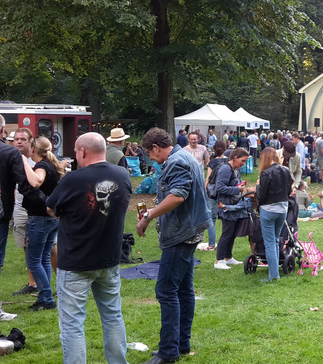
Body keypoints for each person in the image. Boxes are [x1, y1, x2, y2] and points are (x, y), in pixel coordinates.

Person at [47, 132, 131, 363]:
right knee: (113, 316)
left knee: (72, 323)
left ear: (83, 151)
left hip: (76, 261)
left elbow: (52, 208)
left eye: (75, 151)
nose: (75, 156)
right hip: (109, 259)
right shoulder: (122, 174)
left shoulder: (73, 179)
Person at [137, 127, 211, 364]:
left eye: (149, 152)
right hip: (190, 230)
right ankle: (180, 345)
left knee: (166, 290)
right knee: (183, 289)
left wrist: (149, 216)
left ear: (156, 148)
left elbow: (178, 195)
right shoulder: (185, 156)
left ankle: (168, 352)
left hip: (181, 235)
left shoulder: (176, 161)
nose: (149, 157)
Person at [21, 136, 65, 311]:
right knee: (45, 257)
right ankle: (45, 295)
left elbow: (37, 180)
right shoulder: (51, 165)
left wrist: (24, 162)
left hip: (39, 219)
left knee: (33, 260)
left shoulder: (41, 167)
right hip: (51, 219)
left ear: (33, 149)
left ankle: (46, 298)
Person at [0, 115, 33, 276]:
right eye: (17, 139)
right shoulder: (9, 152)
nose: (19, 142)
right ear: (2, 130)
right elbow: (24, 184)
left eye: (23, 139)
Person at [256, 148, 293, 282]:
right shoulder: (286, 170)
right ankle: (275, 270)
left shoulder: (265, 173)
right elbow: (289, 190)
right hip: (282, 209)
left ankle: (274, 274)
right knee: (276, 240)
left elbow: (262, 195)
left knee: (270, 242)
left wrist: (257, 187)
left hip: (268, 209)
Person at [213, 148, 251, 270]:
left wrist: (238, 186)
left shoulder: (234, 169)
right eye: (242, 161)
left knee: (232, 233)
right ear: (235, 158)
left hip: (232, 205)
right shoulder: (225, 169)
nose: (243, 164)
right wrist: (237, 189)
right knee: (227, 233)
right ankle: (219, 260)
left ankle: (228, 257)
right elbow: (220, 187)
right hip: (225, 206)